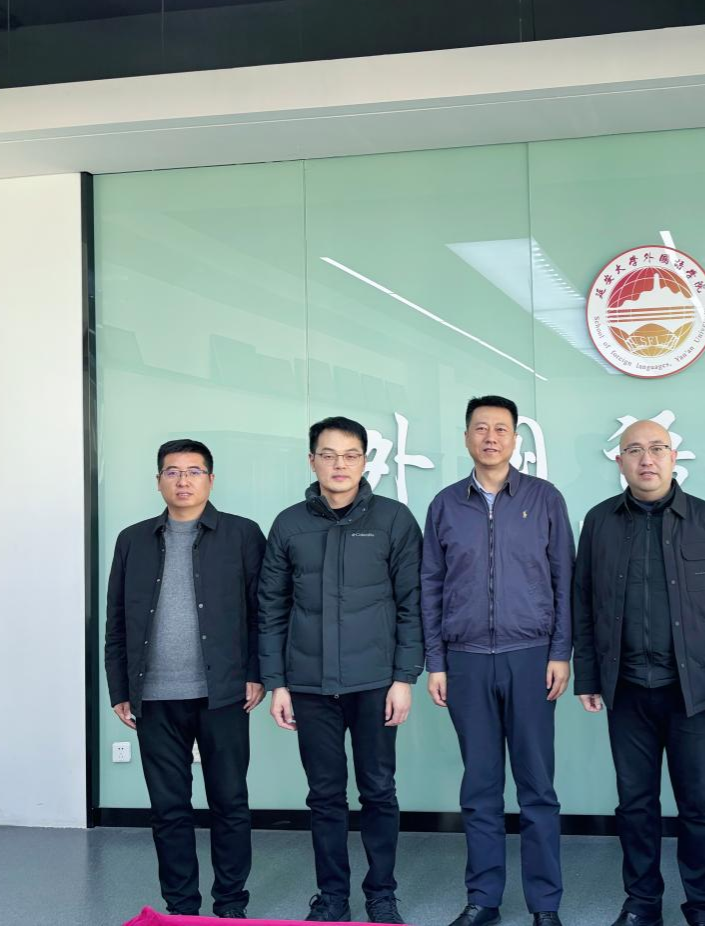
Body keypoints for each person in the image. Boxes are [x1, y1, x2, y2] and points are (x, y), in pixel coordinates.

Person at [573, 418, 705, 926]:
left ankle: (703, 906)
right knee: (635, 804)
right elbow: (583, 602)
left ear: (673, 457)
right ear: (619, 461)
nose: (646, 459)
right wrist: (588, 676)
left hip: (693, 691)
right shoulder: (600, 521)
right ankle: (642, 902)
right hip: (625, 688)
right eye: (634, 450)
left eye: (657, 449)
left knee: (698, 804)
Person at [259, 416, 424, 925]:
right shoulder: (289, 524)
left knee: (378, 791)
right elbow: (271, 608)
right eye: (328, 455)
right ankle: (331, 897)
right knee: (325, 796)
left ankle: (382, 894)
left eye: (350, 455)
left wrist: (404, 678)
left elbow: (412, 605)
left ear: (365, 461)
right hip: (309, 685)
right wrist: (277, 684)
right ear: (312, 461)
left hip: (375, 683)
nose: (339, 465)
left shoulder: (394, 520)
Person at [421, 395, 574, 926]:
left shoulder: (544, 498)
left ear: (515, 438)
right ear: (466, 437)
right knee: (480, 787)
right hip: (465, 661)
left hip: (530, 657)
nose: (491, 437)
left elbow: (564, 579)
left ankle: (544, 904)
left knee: (537, 788)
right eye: (481, 428)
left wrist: (560, 652)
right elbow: (431, 585)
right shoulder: (445, 504)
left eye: (501, 428)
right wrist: (435, 661)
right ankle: (483, 898)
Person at [104, 439, 266, 919]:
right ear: (158, 481)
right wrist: (120, 689)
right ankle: (181, 908)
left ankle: (231, 904)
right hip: (154, 695)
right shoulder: (132, 539)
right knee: (168, 808)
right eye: (172, 471)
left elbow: (262, 612)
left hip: (223, 692)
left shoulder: (242, 534)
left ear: (211, 480)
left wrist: (257, 673)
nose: (183, 480)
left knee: (229, 802)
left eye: (194, 471)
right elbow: (116, 620)